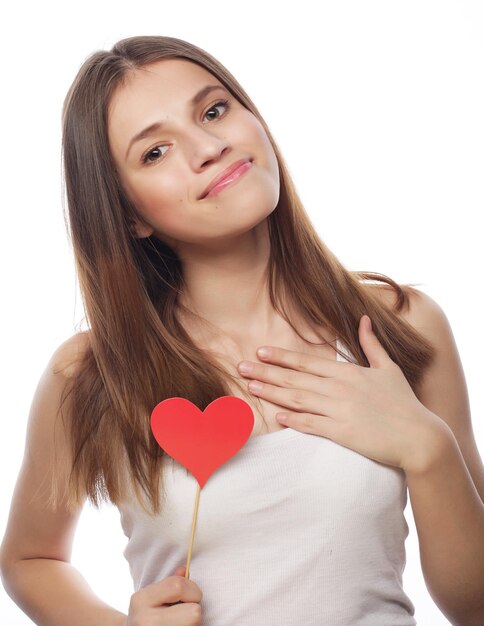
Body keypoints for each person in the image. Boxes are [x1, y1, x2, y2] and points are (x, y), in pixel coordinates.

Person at [0, 34, 483, 626]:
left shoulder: (400, 328)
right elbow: (31, 557)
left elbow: (475, 606)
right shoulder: (90, 375)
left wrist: (428, 448)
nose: (208, 147)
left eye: (213, 110)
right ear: (128, 215)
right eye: (155, 152)